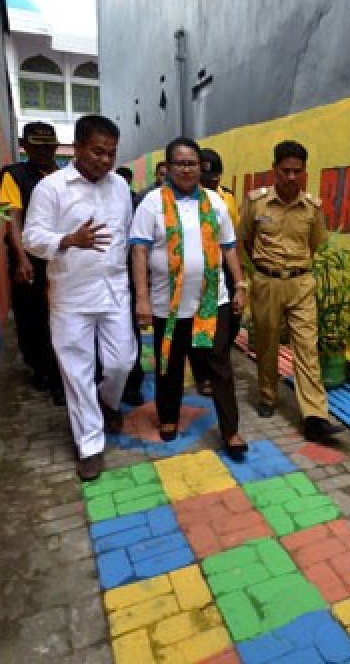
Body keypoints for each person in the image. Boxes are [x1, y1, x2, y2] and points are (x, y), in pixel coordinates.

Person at [22, 115, 137, 481]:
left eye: (111, 153)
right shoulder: (51, 188)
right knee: (77, 370)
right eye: (98, 152)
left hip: (114, 290)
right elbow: (31, 238)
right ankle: (90, 444)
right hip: (71, 295)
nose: (105, 160)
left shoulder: (120, 187)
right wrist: (68, 240)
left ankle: (107, 401)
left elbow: (125, 236)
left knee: (122, 361)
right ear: (78, 147)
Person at [130, 137, 249, 458]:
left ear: (201, 167)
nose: (187, 169)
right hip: (166, 305)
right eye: (180, 163)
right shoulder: (152, 203)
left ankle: (231, 431)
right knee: (169, 363)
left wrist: (239, 285)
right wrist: (141, 299)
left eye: (192, 163)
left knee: (220, 367)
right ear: (167, 168)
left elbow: (228, 248)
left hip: (213, 302)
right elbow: (139, 251)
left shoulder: (215, 202)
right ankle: (168, 417)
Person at [240, 140, 344, 443]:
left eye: (297, 172)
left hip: (300, 283)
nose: (291, 177)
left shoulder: (312, 208)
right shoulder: (256, 202)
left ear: (304, 172)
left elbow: (315, 244)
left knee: (307, 347)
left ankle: (314, 416)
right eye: (285, 171)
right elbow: (245, 238)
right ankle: (268, 396)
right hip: (266, 282)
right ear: (274, 169)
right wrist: (258, 273)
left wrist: (295, 270)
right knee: (268, 342)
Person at [0, 122, 63, 404]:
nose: (44, 151)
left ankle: (56, 367)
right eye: (37, 146)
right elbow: (13, 218)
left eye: (49, 146)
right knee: (31, 314)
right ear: (25, 146)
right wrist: (21, 257)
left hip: (59, 255)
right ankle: (39, 366)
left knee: (58, 313)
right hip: (29, 258)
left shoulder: (63, 175)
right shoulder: (15, 176)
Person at [189, 148, 240, 396]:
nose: (210, 183)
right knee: (201, 325)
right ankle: (203, 374)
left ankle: (217, 361)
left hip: (225, 268)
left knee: (231, 323)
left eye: (214, 179)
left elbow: (233, 236)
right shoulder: (187, 201)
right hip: (200, 271)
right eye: (205, 179)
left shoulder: (227, 199)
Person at [115, 166, 146, 406]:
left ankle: (132, 384)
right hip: (84, 282)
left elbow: (138, 246)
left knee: (129, 336)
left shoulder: (131, 199)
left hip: (124, 276)